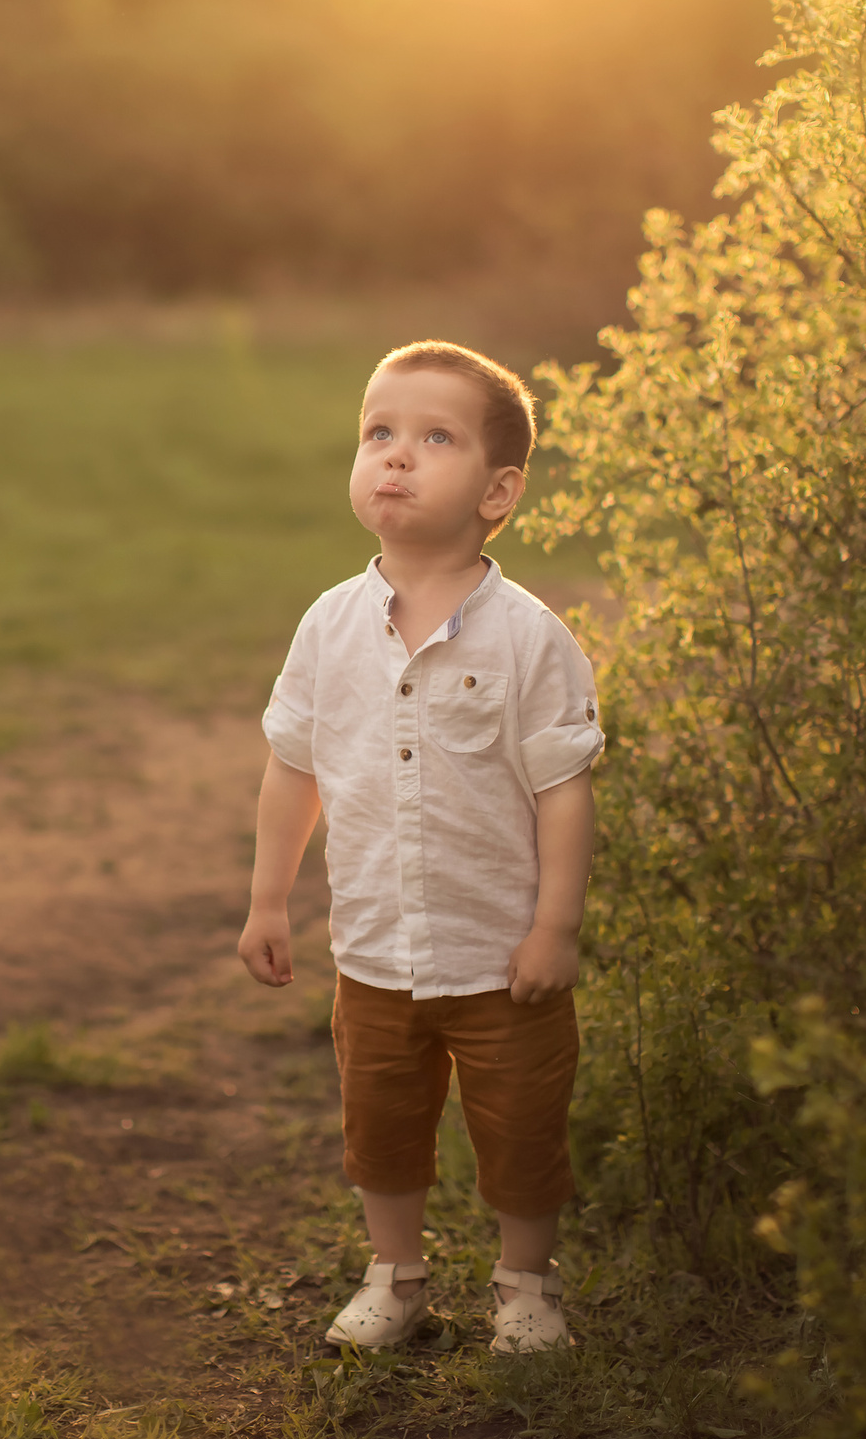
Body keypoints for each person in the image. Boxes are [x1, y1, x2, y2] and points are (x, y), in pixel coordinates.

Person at [238, 339, 602, 1356]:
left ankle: (525, 1287)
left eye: (432, 437)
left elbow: (563, 793)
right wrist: (269, 902)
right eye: (378, 434)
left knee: (521, 1130)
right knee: (381, 1135)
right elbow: (292, 770)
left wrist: (554, 928)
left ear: (499, 489)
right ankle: (394, 1277)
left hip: (502, 960)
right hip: (376, 953)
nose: (394, 456)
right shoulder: (328, 626)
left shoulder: (530, 637)